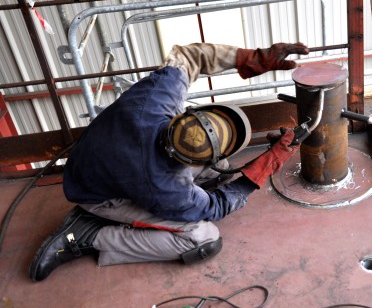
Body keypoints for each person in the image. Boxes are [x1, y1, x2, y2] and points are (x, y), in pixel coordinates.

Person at [29, 42, 309, 282]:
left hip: (95, 161)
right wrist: (267, 164)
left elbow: (190, 56)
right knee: (202, 239)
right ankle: (89, 235)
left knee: (221, 173)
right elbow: (214, 208)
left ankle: (99, 220)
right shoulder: (164, 185)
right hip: (98, 195)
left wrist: (254, 58)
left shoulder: (157, 99)